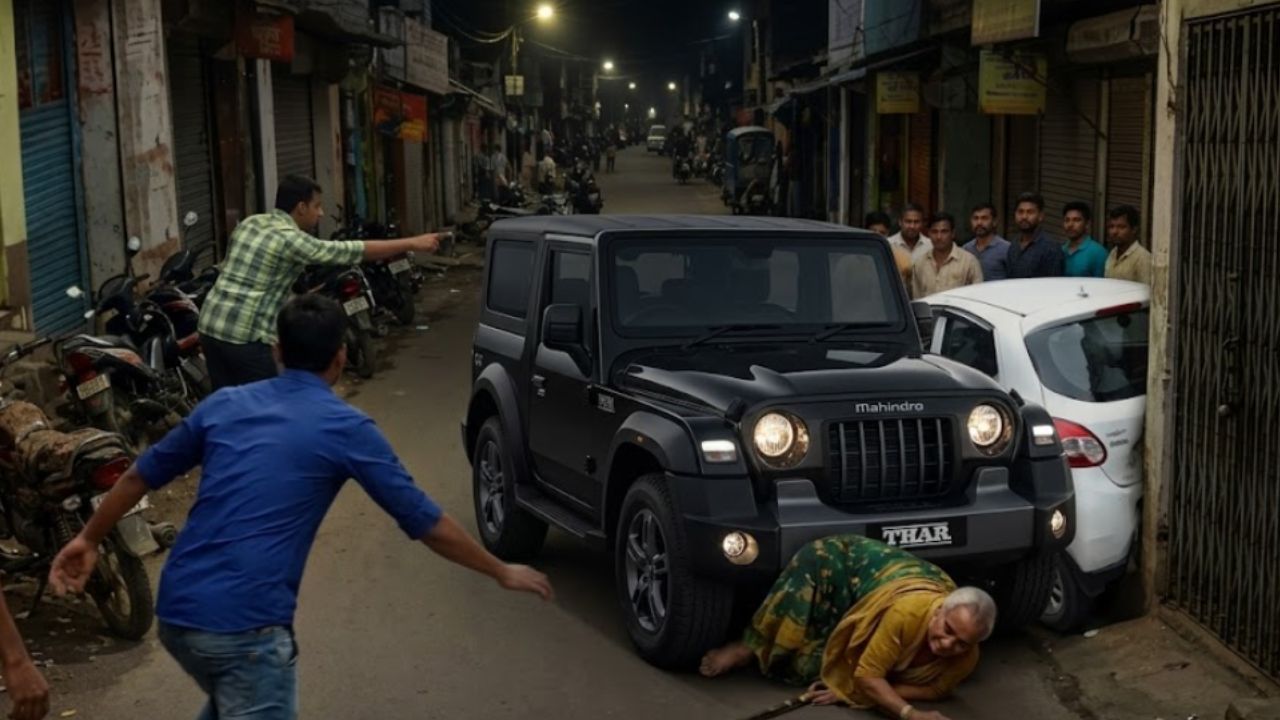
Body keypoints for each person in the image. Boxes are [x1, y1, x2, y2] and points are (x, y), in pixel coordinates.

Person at [49, 296, 554, 720]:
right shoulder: (347, 428)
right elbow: (426, 521)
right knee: (247, 684)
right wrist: (498, 569)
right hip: (245, 631)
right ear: (339, 358)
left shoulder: (225, 405)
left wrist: (88, 539)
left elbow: (139, 475)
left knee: (234, 698)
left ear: (276, 351)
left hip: (179, 616)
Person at [700, 535, 994, 719]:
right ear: (939, 612)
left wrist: (858, 693)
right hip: (840, 562)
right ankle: (747, 646)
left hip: (884, 589)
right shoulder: (907, 614)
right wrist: (909, 714)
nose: (948, 645)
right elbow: (868, 676)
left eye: (961, 643)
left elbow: (935, 690)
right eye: (948, 630)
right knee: (793, 647)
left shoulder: (966, 659)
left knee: (812, 670)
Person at [197, 176, 440, 391]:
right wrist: (413, 243)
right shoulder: (291, 240)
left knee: (228, 408)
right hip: (244, 338)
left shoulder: (251, 223)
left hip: (210, 327)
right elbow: (351, 250)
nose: (321, 213)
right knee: (265, 416)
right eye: (317, 206)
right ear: (301, 208)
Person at [913, 212, 984, 298]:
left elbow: (978, 296)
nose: (939, 237)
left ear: (953, 233)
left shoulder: (969, 262)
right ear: (929, 234)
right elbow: (917, 299)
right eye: (934, 232)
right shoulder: (920, 263)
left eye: (944, 232)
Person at [1003, 192, 1065, 279]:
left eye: (1030, 212)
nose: (1024, 217)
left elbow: (1052, 286)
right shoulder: (1014, 244)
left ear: (1041, 216)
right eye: (1020, 212)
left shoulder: (1051, 249)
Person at [1104, 204, 1152, 284]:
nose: (1114, 232)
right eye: (1111, 227)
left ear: (1134, 229)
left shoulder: (1143, 258)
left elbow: (1146, 292)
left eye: (1121, 227)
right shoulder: (1113, 252)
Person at [961, 203, 1010, 281]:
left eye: (984, 218)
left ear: (994, 222)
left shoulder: (1006, 249)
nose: (979, 223)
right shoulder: (966, 249)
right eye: (975, 218)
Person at [1061, 201, 1108, 278]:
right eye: (1067, 220)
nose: (1070, 225)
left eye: (1076, 220)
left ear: (1087, 224)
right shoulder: (1061, 250)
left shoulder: (1098, 253)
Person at [866, 211, 913, 288]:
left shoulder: (902, 258)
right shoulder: (854, 258)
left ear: (887, 233)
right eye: (873, 231)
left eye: (882, 232)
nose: (877, 236)